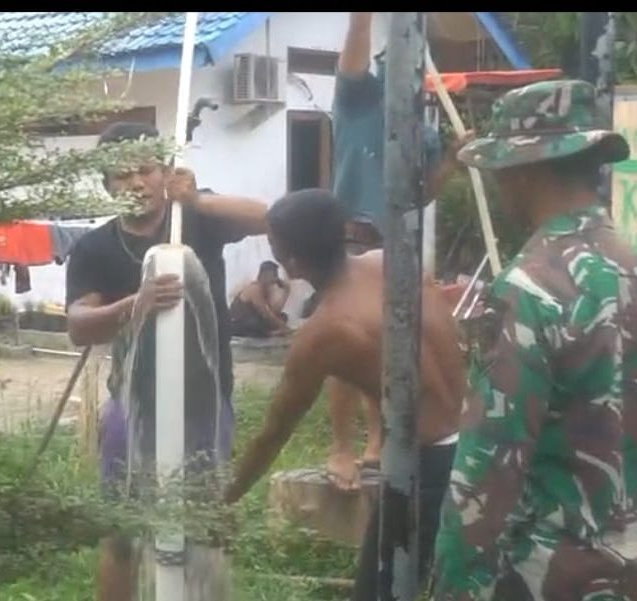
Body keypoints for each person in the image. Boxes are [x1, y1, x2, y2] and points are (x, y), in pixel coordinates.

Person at [432, 80, 637, 600]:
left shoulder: (529, 288)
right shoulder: (628, 263)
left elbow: (489, 467)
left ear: (523, 172)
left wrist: (456, 586)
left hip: (555, 574)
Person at [222, 188, 467, 601]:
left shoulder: (324, 333)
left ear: (291, 262)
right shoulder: (392, 260)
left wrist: (225, 497)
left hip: (426, 466)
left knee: (378, 591)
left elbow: (274, 431)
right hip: (478, 436)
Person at [65, 121, 268, 601]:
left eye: (147, 169)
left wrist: (198, 200)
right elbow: (78, 326)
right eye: (122, 175)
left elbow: (269, 218)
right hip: (132, 405)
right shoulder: (94, 248)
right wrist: (132, 306)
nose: (137, 182)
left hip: (204, 405)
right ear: (107, 186)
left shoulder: (195, 220)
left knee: (205, 524)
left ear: (165, 172)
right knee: (122, 530)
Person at [323, 10, 468, 490]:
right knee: (345, 341)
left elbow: (421, 194)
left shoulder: (422, 130)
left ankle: (377, 441)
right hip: (351, 235)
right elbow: (356, 40)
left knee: (387, 346)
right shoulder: (358, 100)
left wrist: (451, 160)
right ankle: (342, 447)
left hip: (395, 243)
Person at [229, 260, 292, 338]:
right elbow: (265, 313)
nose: (275, 279)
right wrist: (283, 326)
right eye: (273, 275)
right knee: (254, 323)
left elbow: (274, 311)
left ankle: (270, 332)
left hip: (257, 319)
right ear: (264, 275)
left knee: (283, 316)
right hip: (239, 322)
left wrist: (286, 292)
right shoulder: (255, 289)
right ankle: (270, 333)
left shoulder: (267, 290)